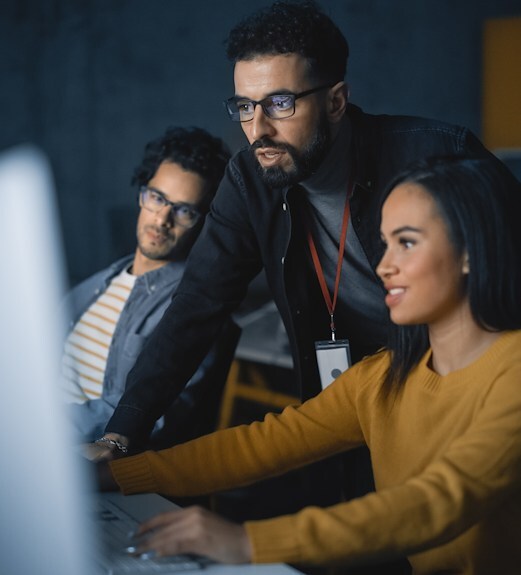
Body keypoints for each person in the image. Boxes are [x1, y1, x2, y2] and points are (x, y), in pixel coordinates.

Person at [92, 0, 514, 530]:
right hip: (351, 393)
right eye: (244, 107)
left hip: (455, 379)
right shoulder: (250, 179)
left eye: (281, 103)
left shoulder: (437, 156)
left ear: (336, 100)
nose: (257, 128)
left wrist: (251, 545)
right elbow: (197, 305)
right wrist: (119, 438)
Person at [100, 155, 521, 575]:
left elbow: (441, 500)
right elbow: (264, 445)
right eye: (385, 242)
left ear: (470, 251)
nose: (382, 266)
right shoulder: (383, 377)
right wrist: (119, 474)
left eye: (407, 242)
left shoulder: (514, 370)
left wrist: (248, 542)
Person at [61, 126, 237, 447]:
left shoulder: (196, 312)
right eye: (157, 198)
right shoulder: (95, 286)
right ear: (142, 194)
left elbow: (156, 412)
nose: (162, 220)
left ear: (203, 221)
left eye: (184, 210)